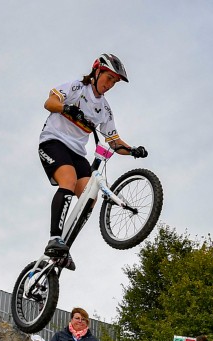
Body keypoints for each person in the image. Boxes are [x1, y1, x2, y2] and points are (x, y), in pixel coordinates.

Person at [38, 53, 148, 267]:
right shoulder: (78, 87)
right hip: (53, 142)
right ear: (97, 71)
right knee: (68, 181)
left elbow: (114, 141)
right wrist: (66, 107)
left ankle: (64, 248)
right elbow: (49, 102)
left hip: (77, 153)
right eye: (109, 78)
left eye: (114, 82)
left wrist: (133, 150)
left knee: (90, 198)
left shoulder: (105, 109)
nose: (110, 85)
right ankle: (54, 239)